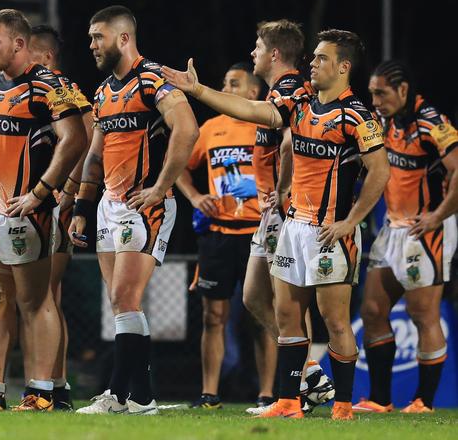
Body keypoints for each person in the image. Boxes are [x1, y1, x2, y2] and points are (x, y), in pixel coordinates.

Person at [163, 29, 390, 420]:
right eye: (313, 57)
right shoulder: (299, 103)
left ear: (343, 67)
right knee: (285, 316)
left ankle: (343, 404)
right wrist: (199, 91)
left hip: (328, 232)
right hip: (293, 227)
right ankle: (287, 402)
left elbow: (380, 172)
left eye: (321, 58)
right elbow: (259, 117)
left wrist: (350, 221)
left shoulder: (358, 116)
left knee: (334, 319)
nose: (313, 64)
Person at [0, 9, 86, 411]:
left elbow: (74, 138)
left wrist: (42, 192)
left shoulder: (48, 86)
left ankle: (42, 392)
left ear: (19, 44)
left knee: (36, 301)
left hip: (29, 214)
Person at [70, 5, 199, 415]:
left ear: (124, 38)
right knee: (120, 301)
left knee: (125, 297)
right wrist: (81, 207)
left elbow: (188, 128)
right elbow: (95, 155)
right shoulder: (105, 91)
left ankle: (117, 395)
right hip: (109, 205)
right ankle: (142, 400)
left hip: (145, 205)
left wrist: (161, 186)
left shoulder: (153, 78)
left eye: (98, 36)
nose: (91, 44)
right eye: (91, 37)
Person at [352, 60, 458, 414]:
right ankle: (381, 400)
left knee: (422, 313)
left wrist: (438, 216)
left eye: (381, 93)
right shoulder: (381, 120)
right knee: (371, 309)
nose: (375, 100)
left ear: (402, 90)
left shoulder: (431, 122)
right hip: (393, 229)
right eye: (371, 93)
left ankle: (424, 403)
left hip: (426, 230)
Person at [243, 20, 333, 414]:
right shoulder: (277, 90)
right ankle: (310, 375)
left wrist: (281, 190)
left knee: (289, 304)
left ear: (274, 54)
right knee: (254, 297)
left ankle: (294, 392)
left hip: (287, 211)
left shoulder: (292, 88)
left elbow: (290, 144)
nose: (253, 53)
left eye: (258, 47)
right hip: (273, 212)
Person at [176, 62, 268, 409]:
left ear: (253, 93)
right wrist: (196, 197)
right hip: (218, 234)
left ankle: (268, 394)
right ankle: (209, 395)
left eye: (233, 84)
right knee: (213, 317)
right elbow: (180, 165)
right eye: (224, 83)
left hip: (259, 233)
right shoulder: (211, 128)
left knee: (262, 318)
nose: (225, 89)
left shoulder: (267, 125)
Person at [26, 24, 94, 410]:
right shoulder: (34, 89)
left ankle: (49, 387)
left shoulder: (61, 88)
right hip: (39, 203)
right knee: (43, 296)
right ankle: (55, 386)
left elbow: (86, 137)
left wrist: (69, 191)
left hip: (54, 205)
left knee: (45, 296)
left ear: (46, 57)